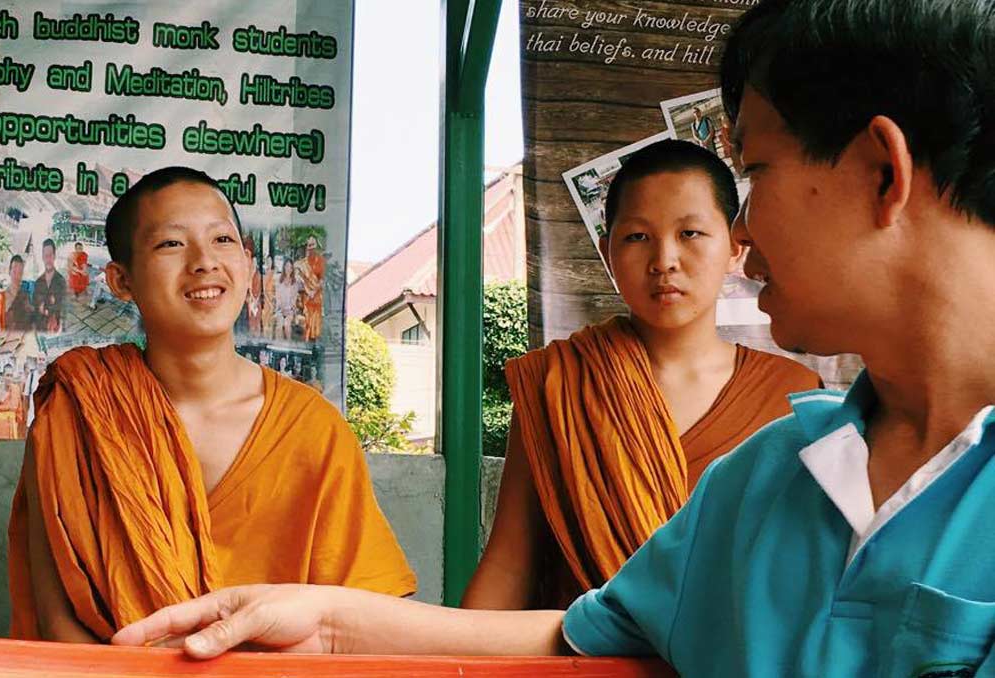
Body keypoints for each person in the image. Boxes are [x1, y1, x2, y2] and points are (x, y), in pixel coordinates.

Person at [114, 1, 995, 673]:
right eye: (640, 238)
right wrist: (326, 620)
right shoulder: (774, 474)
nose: (745, 232)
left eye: (754, 173)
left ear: (884, 172)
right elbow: (580, 630)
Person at [8, 166, 416, 643]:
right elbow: (59, 623)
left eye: (223, 240)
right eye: (171, 244)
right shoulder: (79, 413)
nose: (204, 261)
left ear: (245, 262)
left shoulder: (312, 430)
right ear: (121, 280)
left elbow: (370, 618)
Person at [462, 140, 820, 611]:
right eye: (636, 237)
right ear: (607, 252)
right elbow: (511, 563)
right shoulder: (559, 384)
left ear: (736, 247)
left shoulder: (792, 395)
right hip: (582, 662)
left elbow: (805, 578)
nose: (664, 260)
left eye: (690, 233)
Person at [0, 255, 34, 333]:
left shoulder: (27, 297)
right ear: (9, 271)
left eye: (20, 272)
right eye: (14, 271)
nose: (17, 276)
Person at [32, 239, 66, 332]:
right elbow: (35, 308)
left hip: (57, 330)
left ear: (54, 256)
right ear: (42, 257)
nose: (48, 259)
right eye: (46, 256)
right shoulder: (37, 283)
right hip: (41, 330)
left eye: (50, 255)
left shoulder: (61, 281)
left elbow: (63, 308)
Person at [297, 236, 325, 342]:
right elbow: (301, 280)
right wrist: (308, 291)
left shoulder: (321, 261)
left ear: (316, 245)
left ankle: (314, 342)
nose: (311, 248)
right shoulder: (302, 264)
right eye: (309, 245)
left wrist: (314, 291)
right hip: (306, 298)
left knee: (316, 324)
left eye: (313, 245)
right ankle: (307, 340)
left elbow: (322, 280)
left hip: (317, 297)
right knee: (307, 321)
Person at [0, 369, 24, 439]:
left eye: (11, 376)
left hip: (12, 424)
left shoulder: (16, 390)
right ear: (3, 376)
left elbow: (19, 412)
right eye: (7, 375)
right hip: (1, 426)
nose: (9, 378)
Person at [275, 258, 299, 340]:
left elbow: (294, 299)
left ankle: (289, 345)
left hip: (290, 309)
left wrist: (289, 310)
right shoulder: (279, 281)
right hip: (280, 309)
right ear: (284, 267)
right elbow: (278, 297)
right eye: (287, 266)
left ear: (292, 269)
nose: (288, 269)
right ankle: (279, 347)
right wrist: (282, 309)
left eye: (290, 267)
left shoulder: (294, 283)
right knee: (279, 325)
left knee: (287, 325)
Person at [261, 255, 276, 339]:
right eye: (267, 261)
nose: (269, 263)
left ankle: (271, 338)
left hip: (272, 298)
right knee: (265, 319)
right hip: (267, 299)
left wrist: (273, 299)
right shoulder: (264, 274)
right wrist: (268, 300)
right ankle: (266, 338)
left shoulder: (274, 273)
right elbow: (264, 289)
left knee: (272, 320)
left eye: (270, 261)